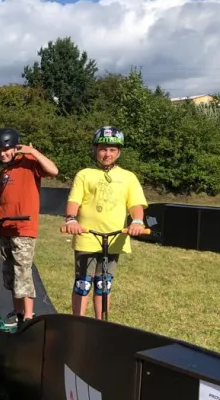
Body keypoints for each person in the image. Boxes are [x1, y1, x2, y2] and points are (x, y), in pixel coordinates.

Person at [62, 126, 147, 318]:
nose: (107, 154)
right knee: (83, 282)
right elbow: (74, 200)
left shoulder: (128, 177)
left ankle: (101, 323)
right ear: (95, 150)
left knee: (104, 283)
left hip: (114, 238)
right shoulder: (85, 174)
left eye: (112, 150)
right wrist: (71, 219)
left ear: (119, 152)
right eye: (102, 149)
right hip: (87, 236)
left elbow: (135, 204)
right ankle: (78, 322)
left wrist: (137, 221)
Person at [0, 127, 59, 326]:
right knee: (10, 275)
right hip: (5, 228)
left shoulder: (29, 163)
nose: (3, 154)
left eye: (6, 149)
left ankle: (28, 317)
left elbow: (54, 170)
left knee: (22, 272)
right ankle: (18, 314)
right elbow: (5, 202)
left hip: (23, 229)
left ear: (15, 148)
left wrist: (32, 151)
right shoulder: (4, 172)